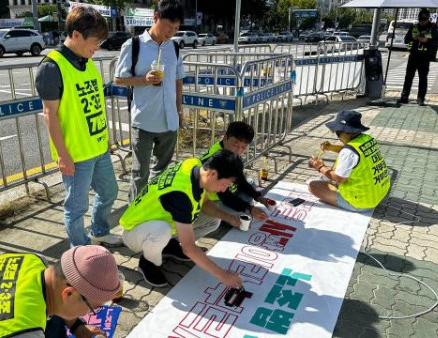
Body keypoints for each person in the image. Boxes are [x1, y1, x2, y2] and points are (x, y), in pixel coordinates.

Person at [36, 6, 121, 247]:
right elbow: (49, 115)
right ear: (75, 35)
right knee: (76, 207)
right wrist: (63, 156)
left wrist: (105, 140)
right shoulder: (52, 68)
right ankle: (80, 251)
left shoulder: (87, 61)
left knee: (109, 192)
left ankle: (100, 230)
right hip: (76, 155)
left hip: (98, 148)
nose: (97, 47)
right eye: (95, 41)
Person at [120, 150, 245, 288]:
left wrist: (231, 218)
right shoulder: (181, 194)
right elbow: (189, 248)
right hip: (134, 231)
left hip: (156, 221)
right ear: (213, 174)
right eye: (225, 185)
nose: (223, 190)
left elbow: (206, 204)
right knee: (163, 231)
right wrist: (223, 275)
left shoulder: (195, 166)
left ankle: (168, 245)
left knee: (213, 220)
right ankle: (148, 263)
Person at [114, 0, 185, 199]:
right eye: (168, 26)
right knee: (140, 174)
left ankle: (153, 210)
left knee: (162, 173)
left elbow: (178, 82)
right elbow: (119, 79)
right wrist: (144, 80)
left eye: (176, 28)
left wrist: (179, 112)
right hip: (144, 121)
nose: (171, 32)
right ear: (155, 18)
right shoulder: (133, 45)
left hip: (169, 122)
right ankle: (134, 218)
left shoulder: (175, 48)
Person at [308, 110, 391, 212]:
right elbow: (352, 152)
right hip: (378, 193)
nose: (337, 136)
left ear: (347, 132)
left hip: (361, 203)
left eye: (338, 133)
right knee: (333, 174)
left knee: (313, 186)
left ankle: (344, 198)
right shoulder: (368, 139)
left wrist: (319, 166)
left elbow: (338, 178)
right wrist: (331, 147)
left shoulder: (348, 152)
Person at [200, 121, 270, 221]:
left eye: (243, 147)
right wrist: (249, 209)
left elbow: (240, 180)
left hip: (229, 192)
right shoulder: (218, 160)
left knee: (250, 182)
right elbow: (225, 196)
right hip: (214, 200)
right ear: (225, 138)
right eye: (235, 145)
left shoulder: (228, 152)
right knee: (239, 215)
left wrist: (258, 197)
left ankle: (243, 206)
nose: (238, 151)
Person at [397, 9, 438, 107]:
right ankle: (404, 97)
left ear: (428, 18)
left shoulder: (433, 27)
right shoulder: (414, 27)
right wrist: (414, 38)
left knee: (423, 78)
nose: (422, 21)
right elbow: (406, 40)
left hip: (425, 57)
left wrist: (426, 40)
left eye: (424, 19)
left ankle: (420, 99)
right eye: (420, 19)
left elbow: (436, 41)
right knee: (408, 77)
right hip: (413, 56)